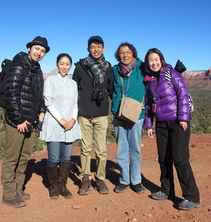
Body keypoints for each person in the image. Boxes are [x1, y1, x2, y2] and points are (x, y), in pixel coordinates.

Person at [144, 48, 201, 211]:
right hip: (161, 124)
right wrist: (149, 125)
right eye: (150, 60)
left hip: (177, 122)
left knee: (180, 159)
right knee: (163, 158)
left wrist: (184, 118)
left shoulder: (171, 74)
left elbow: (183, 94)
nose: (153, 63)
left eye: (156, 59)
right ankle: (167, 190)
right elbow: (148, 105)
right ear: (148, 63)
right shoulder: (150, 81)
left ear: (161, 59)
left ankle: (192, 197)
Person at [1, 36, 49, 208]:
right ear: (29, 48)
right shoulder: (19, 66)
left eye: (43, 51)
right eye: (37, 49)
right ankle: (8, 194)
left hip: (32, 121)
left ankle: (18, 189)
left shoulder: (37, 69)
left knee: (24, 157)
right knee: (12, 158)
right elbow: (11, 93)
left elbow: (38, 94)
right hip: (17, 122)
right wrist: (19, 119)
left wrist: (41, 111)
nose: (39, 53)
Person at [72, 36, 114, 195]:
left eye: (99, 46)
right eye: (93, 47)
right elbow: (74, 89)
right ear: (88, 49)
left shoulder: (108, 68)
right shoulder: (80, 67)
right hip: (84, 114)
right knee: (85, 148)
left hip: (101, 113)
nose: (96, 49)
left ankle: (100, 179)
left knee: (101, 149)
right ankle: (85, 178)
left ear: (104, 49)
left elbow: (111, 90)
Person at [39, 53, 81, 199]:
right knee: (53, 158)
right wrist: (61, 120)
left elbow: (75, 104)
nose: (64, 67)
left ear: (70, 66)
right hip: (54, 124)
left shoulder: (73, 83)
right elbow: (48, 102)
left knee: (66, 158)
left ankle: (63, 186)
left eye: (67, 64)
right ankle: (53, 186)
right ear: (57, 64)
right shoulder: (50, 81)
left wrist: (73, 120)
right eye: (62, 64)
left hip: (70, 125)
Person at [111, 42, 146, 194]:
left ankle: (136, 180)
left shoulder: (142, 68)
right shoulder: (114, 70)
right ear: (118, 55)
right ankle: (124, 180)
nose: (125, 55)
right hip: (119, 114)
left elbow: (158, 71)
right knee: (121, 150)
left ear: (133, 53)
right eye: (122, 53)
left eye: (128, 52)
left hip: (136, 115)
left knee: (135, 150)